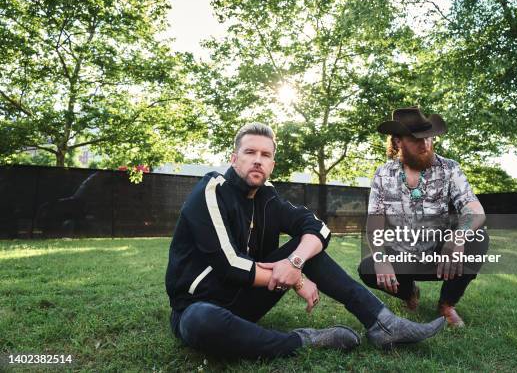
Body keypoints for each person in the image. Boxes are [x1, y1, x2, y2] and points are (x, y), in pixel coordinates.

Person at [165, 122, 445, 359]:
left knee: (308, 248)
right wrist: (296, 278)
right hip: (199, 306)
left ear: (272, 164)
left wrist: (295, 261)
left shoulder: (267, 196)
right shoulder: (212, 190)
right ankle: (303, 340)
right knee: (200, 321)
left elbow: (318, 228)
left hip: (244, 302)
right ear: (234, 157)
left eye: (265, 154)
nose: (257, 160)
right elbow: (231, 265)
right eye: (250, 152)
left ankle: (383, 324)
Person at [358, 107, 490, 327]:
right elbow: (375, 221)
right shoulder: (383, 174)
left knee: (478, 239)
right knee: (368, 268)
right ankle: (409, 293)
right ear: (398, 142)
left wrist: (457, 239)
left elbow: (474, 209)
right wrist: (381, 259)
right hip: (402, 255)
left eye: (428, 137)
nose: (425, 144)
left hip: (441, 257)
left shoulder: (449, 168)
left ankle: (447, 304)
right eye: (415, 138)